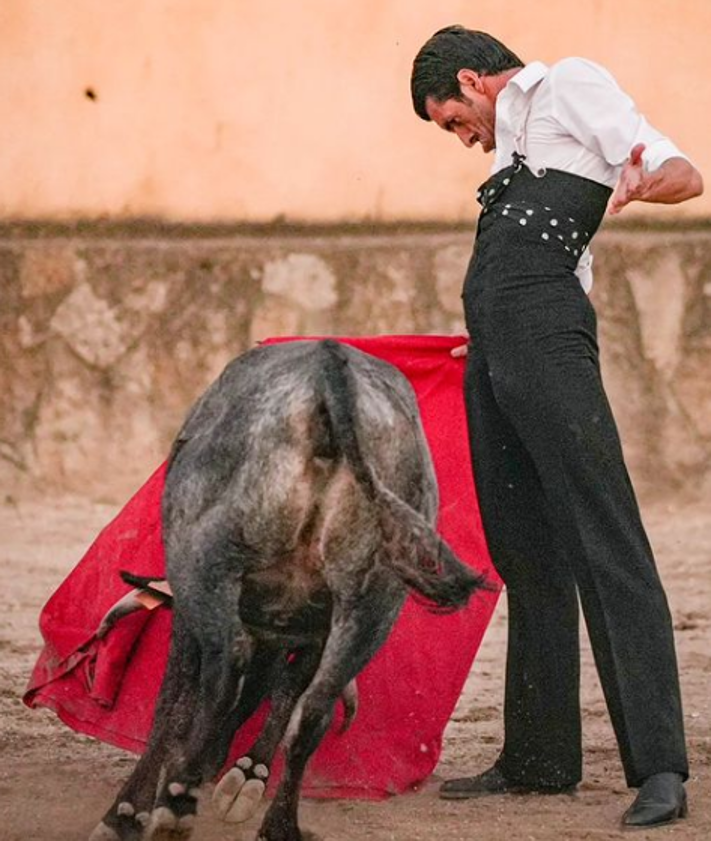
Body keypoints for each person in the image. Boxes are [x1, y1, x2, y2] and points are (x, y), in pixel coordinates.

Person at [410, 25, 703, 829]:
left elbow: (682, 171)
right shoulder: (510, 151)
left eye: (451, 120)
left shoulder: (568, 84)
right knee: (525, 550)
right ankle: (539, 757)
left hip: (544, 338)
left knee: (604, 537)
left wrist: (649, 185)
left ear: (472, 79)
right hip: (496, 348)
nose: (461, 139)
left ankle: (659, 767)